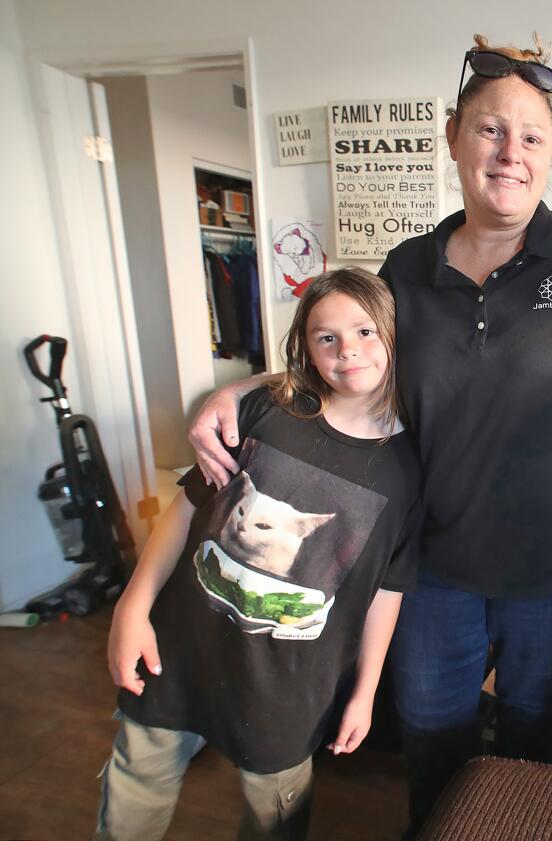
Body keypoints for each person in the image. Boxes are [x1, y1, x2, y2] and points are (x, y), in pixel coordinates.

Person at [188, 35, 552, 837]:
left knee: (532, 754)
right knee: (432, 745)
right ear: (454, 140)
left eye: (531, 137)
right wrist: (239, 388)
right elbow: (349, 358)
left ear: (550, 154)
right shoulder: (406, 268)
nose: (510, 153)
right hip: (434, 567)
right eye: (490, 131)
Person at [98, 268, 420, 840]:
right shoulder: (263, 414)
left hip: (290, 692)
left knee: (275, 821)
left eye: (366, 331)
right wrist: (132, 607)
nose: (349, 350)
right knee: (132, 800)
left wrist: (366, 691)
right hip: (177, 658)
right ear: (306, 349)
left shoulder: (410, 469)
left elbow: (388, 589)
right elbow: (186, 511)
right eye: (327, 337)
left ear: (395, 333)